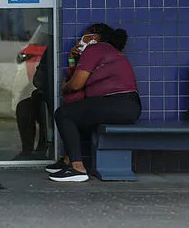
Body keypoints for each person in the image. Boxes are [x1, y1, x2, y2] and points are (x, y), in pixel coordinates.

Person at [47, 23, 141, 183]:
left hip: (118, 102)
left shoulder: (96, 49)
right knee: (75, 116)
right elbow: (77, 95)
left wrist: (64, 86)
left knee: (63, 114)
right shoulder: (106, 52)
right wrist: (72, 59)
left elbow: (75, 85)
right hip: (124, 106)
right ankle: (69, 160)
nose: (79, 40)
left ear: (95, 36)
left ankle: (77, 168)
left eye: (84, 36)